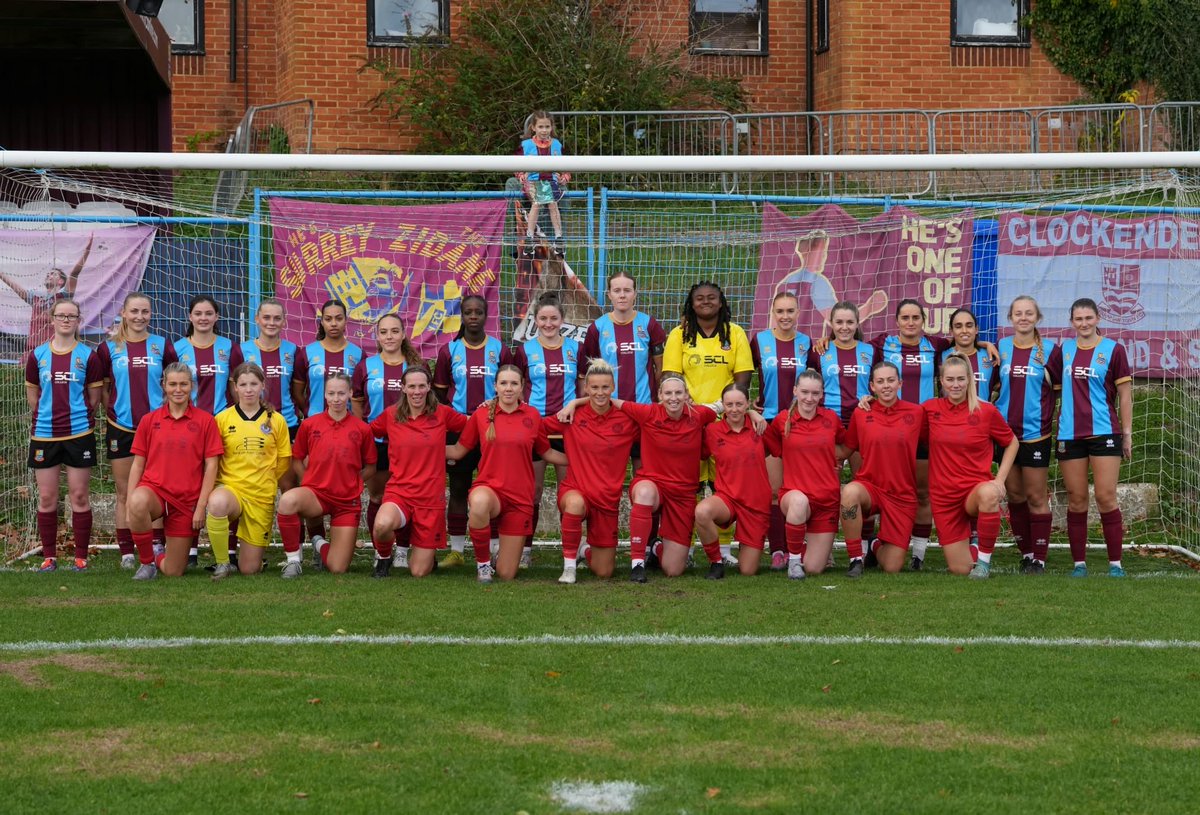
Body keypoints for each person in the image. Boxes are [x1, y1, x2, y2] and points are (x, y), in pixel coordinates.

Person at [872, 299, 997, 570]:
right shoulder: (882, 344)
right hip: (895, 429)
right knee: (892, 487)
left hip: (930, 428)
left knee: (924, 493)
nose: (910, 322)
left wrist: (985, 344)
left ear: (923, 321)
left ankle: (918, 554)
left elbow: (964, 346)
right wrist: (827, 339)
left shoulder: (936, 346)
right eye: (905, 317)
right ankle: (873, 542)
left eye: (916, 317)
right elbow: (851, 346)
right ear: (896, 321)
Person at [565, 374, 717, 582]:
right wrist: (574, 402)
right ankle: (637, 564)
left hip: (683, 494)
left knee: (673, 570)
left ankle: (656, 548)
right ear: (659, 396)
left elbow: (726, 407)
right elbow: (605, 398)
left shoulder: (699, 414)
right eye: (668, 393)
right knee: (644, 493)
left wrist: (754, 416)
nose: (673, 398)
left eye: (678, 393)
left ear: (687, 396)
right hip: (653, 485)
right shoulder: (647, 412)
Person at [446, 365, 567, 583]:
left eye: (514, 383)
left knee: (507, 574)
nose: (508, 388)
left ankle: (497, 560)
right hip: (490, 490)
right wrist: (421, 448)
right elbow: (458, 450)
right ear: (495, 386)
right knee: (479, 501)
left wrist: (580, 460)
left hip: (520, 499)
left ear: (522, 387)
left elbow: (546, 452)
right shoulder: (481, 414)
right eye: (503, 383)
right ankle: (483, 565)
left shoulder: (532, 415)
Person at [663, 281, 754, 565]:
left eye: (711, 298)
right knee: (687, 486)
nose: (705, 302)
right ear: (691, 304)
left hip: (724, 422)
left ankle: (724, 549)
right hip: (687, 422)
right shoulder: (679, 335)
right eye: (699, 298)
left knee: (722, 487)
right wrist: (686, 408)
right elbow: (669, 377)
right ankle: (685, 547)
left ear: (721, 302)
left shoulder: (735, 333)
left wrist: (725, 408)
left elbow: (743, 378)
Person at [1047, 297, 1133, 578]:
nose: (1083, 323)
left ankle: (1115, 564)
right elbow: (1052, 387)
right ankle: (1079, 564)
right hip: (1070, 434)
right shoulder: (1064, 350)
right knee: (1077, 499)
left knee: (1106, 497)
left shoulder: (1113, 350)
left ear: (1098, 318)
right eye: (1078, 319)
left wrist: (1127, 434)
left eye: (1088, 318)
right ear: (1071, 322)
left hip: (1104, 432)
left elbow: (1125, 395)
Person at [95, 292, 178, 568]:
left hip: (157, 428)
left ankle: (155, 543)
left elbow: (173, 385)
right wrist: (114, 412)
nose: (139, 316)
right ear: (123, 313)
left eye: (145, 311)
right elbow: (106, 388)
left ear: (151, 314)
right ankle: (127, 552)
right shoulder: (108, 349)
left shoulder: (162, 346)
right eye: (134, 311)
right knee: (123, 491)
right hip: (121, 428)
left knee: (155, 489)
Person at [540, 359, 640, 584]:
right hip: (576, 490)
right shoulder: (572, 416)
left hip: (607, 499)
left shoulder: (627, 418)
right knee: (574, 505)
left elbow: (655, 421)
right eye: (594, 387)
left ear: (613, 388)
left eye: (605, 387)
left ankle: (583, 550)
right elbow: (534, 427)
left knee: (604, 572)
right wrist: (551, 455)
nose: (600, 392)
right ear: (586, 387)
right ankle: (568, 568)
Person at [25, 298, 105, 572]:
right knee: (47, 497)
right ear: (52, 319)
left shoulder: (88, 356)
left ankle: (81, 557)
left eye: (72, 316)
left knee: (79, 495)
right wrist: (50, 416)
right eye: (61, 315)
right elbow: (33, 397)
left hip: (79, 434)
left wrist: (74, 416)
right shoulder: (37, 356)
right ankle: (49, 557)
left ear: (78, 320)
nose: (66, 320)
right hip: (45, 435)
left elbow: (93, 399)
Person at [126, 363, 224, 580]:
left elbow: (211, 466)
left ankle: (159, 555)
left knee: (173, 572)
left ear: (192, 386)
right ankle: (146, 564)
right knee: (138, 501)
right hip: (156, 491)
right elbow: (138, 465)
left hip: (186, 501)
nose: (178, 389)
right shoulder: (149, 420)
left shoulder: (206, 421)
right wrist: (129, 505)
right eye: (172, 384)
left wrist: (200, 507)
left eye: (183, 384)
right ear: (164, 386)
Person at [925, 354, 1019, 578]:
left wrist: (999, 480)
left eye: (960, 379)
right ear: (941, 381)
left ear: (970, 380)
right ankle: (976, 546)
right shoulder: (929, 409)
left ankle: (984, 563)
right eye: (949, 379)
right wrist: (869, 400)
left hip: (973, 491)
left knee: (989, 493)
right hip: (943, 496)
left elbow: (1012, 442)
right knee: (959, 569)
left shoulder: (985, 411)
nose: (955, 385)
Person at [368, 366, 468, 578]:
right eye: (411, 386)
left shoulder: (442, 413)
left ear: (429, 387)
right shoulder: (391, 414)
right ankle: (384, 558)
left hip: (430, 498)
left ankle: (426, 557)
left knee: (419, 572)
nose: (417, 391)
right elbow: (367, 434)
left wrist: (457, 451)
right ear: (403, 388)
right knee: (382, 524)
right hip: (399, 493)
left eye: (422, 386)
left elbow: (472, 424)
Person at [277, 373, 377, 575]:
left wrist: (354, 482)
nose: (336, 398)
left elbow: (371, 467)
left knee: (338, 568)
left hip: (346, 501)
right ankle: (294, 561)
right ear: (324, 394)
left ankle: (318, 542)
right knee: (287, 501)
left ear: (350, 393)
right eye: (331, 393)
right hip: (317, 495)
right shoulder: (309, 425)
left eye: (341, 393)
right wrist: (307, 481)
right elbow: (297, 459)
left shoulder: (362, 429)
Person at [434, 294, 506, 568]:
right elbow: (439, 395)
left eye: (478, 312)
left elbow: (510, 388)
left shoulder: (499, 350)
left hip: (492, 429)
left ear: (486, 315)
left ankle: (496, 547)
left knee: (496, 488)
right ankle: (457, 551)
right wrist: (453, 421)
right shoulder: (449, 351)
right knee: (460, 488)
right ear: (461, 316)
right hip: (460, 431)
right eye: (468, 312)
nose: (473, 316)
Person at [291, 299, 364, 562]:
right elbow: (298, 391)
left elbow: (359, 394)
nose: (334, 323)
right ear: (321, 321)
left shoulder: (357, 354)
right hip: (316, 430)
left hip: (346, 431)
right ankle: (315, 542)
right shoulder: (307, 352)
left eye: (339, 318)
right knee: (311, 485)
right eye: (328, 318)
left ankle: (328, 545)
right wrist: (313, 415)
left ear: (346, 321)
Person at [512, 293, 581, 569]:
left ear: (562, 320)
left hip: (568, 429)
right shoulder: (525, 350)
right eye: (543, 318)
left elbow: (585, 386)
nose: (549, 323)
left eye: (554, 318)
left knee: (570, 492)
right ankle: (526, 550)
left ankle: (572, 550)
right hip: (536, 428)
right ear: (535, 320)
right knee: (534, 491)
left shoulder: (576, 348)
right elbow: (514, 389)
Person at [206, 363, 293, 580]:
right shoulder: (222, 419)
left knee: (249, 569)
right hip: (232, 489)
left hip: (260, 495)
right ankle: (223, 563)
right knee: (216, 503)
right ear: (235, 387)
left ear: (262, 385)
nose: (248, 389)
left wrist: (267, 480)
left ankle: (252, 559)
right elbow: (214, 458)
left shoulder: (276, 421)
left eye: (254, 384)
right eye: (243, 384)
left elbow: (283, 460)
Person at [352, 312, 425, 571]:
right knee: (378, 496)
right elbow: (358, 402)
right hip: (378, 441)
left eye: (395, 331)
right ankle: (380, 550)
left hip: (411, 444)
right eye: (384, 332)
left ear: (403, 334)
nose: (389, 336)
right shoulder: (366, 366)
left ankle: (403, 551)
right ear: (377, 336)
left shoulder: (416, 366)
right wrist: (363, 432)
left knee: (407, 495)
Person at [839, 361, 925, 577]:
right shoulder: (861, 413)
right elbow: (846, 449)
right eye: (880, 381)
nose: (886, 385)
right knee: (849, 492)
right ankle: (855, 558)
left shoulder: (917, 413)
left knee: (892, 566)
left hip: (901, 495)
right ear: (872, 387)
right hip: (871, 487)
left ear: (900, 383)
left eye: (890, 380)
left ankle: (876, 544)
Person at [995, 295, 1061, 574]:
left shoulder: (1050, 351)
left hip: (1036, 434)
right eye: (1018, 313)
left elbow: (1058, 392)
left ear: (1037, 318)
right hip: (1005, 435)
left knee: (1035, 496)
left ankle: (1040, 558)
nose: (1023, 318)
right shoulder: (1001, 347)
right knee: (1014, 495)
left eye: (1029, 313)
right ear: (1010, 318)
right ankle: (1026, 553)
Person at [751, 291, 817, 569]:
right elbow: (741, 375)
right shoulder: (760, 341)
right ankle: (778, 549)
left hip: (802, 425)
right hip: (769, 423)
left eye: (790, 311)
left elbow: (815, 380)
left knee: (805, 487)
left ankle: (804, 545)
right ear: (772, 312)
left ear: (798, 313)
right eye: (780, 311)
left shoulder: (808, 344)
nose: (785, 316)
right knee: (775, 490)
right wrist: (751, 406)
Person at [173, 295, 240, 567]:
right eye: (198, 313)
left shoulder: (229, 348)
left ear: (216, 317)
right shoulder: (177, 348)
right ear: (190, 317)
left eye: (208, 313)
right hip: (189, 426)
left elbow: (237, 385)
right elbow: (171, 387)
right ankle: (189, 550)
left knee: (228, 484)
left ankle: (230, 551)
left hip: (222, 425)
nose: (203, 318)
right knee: (189, 487)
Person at [763, 369, 848, 580]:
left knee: (813, 568)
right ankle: (792, 562)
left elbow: (847, 445)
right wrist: (754, 413)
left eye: (815, 393)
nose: (809, 398)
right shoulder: (783, 420)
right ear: (795, 391)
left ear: (821, 395)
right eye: (804, 392)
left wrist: (835, 460)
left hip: (827, 501)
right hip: (795, 496)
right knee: (799, 502)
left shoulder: (831, 419)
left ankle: (801, 552)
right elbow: (770, 445)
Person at [695, 383, 771, 579]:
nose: (734, 409)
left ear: (747, 404)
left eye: (739, 404)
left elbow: (782, 449)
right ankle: (716, 562)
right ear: (723, 405)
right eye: (729, 404)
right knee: (702, 512)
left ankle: (747, 545)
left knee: (747, 571)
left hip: (755, 503)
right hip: (727, 498)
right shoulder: (712, 431)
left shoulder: (760, 427)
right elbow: (696, 451)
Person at [0, 233, 93, 355]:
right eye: (48, 274)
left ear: (60, 281)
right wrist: (1, 275)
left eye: (53, 274)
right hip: (34, 347)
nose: (49, 275)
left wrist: (87, 251)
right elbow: (17, 289)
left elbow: (74, 274)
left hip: (57, 347)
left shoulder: (64, 297)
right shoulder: (37, 299)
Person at [517, 110, 570, 258]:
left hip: (551, 181)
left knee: (553, 205)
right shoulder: (525, 145)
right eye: (541, 127)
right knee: (536, 204)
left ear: (552, 127)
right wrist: (521, 174)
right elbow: (516, 164)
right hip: (533, 182)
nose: (544, 130)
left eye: (547, 127)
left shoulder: (557, 144)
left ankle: (559, 238)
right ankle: (529, 237)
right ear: (533, 127)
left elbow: (566, 165)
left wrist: (565, 176)